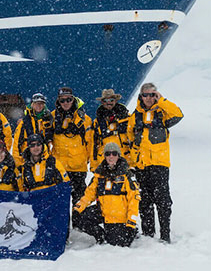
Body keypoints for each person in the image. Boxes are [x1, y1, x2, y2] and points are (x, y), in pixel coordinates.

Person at [127, 82, 183, 243]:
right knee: (144, 201)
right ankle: (148, 233)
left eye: (152, 94)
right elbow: (130, 140)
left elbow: (178, 114)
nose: (149, 98)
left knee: (163, 201)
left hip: (159, 164)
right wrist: (132, 164)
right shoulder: (135, 116)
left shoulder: (163, 112)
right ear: (141, 96)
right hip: (141, 166)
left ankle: (165, 234)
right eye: (146, 95)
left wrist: (162, 100)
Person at [73, 142, 140, 247]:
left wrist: (131, 223)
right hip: (104, 213)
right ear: (104, 156)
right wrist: (78, 208)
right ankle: (101, 236)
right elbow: (89, 194)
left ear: (118, 155)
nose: (111, 156)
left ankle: (132, 231)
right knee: (80, 217)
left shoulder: (126, 175)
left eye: (114, 153)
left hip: (119, 218)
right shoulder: (99, 174)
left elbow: (134, 200)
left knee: (117, 244)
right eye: (108, 154)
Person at [51, 87, 93, 204]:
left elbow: (90, 143)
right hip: (59, 168)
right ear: (58, 101)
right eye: (62, 100)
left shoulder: (84, 119)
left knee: (79, 205)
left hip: (78, 168)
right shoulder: (52, 117)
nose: (65, 103)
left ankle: (78, 223)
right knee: (59, 205)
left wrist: (85, 160)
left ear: (73, 100)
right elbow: (45, 141)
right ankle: (62, 223)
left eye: (68, 99)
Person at [90, 89, 131, 171]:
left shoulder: (127, 118)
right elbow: (93, 145)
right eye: (106, 100)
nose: (109, 102)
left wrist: (135, 163)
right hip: (105, 163)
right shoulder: (97, 122)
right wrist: (94, 166)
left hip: (126, 161)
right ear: (102, 102)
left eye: (111, 100)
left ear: (115, 100)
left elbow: (134, 140)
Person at [12, 92, 54, 166]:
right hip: (27, 159)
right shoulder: (24, 122)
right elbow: (16, 144)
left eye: (41, 103)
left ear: (44, 105)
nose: (39, 106)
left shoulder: (49, 119)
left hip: (45, 158)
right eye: (36, 103)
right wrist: (19, 164)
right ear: (32, 105)